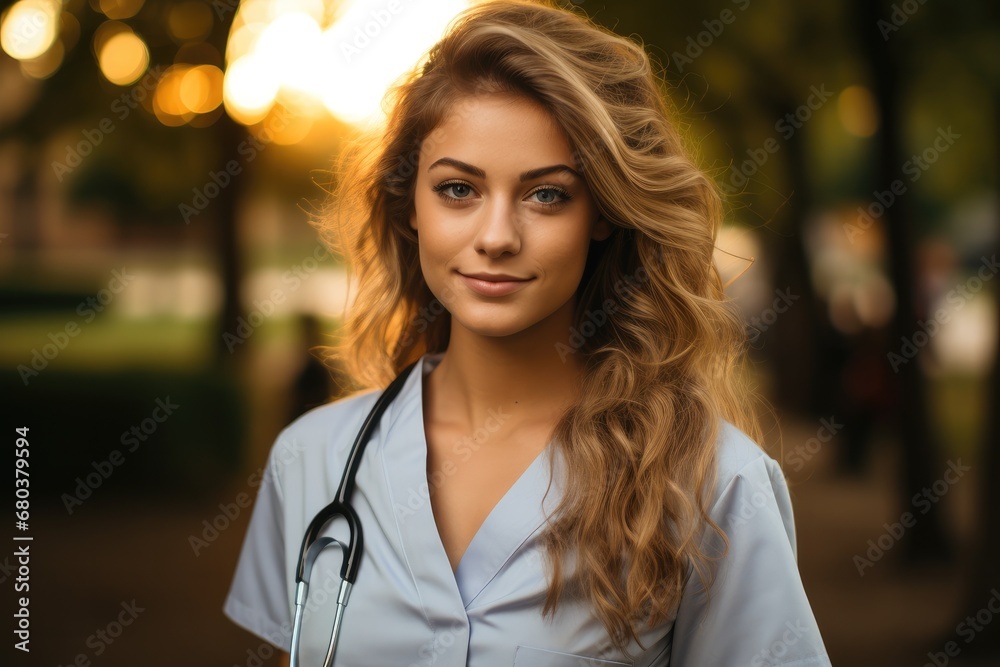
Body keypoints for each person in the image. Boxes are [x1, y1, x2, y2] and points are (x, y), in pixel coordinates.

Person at [223, 1, 833, 665]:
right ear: (411, 206)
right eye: (458, 189)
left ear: (602, 212)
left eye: (546, 195)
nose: (495, 237)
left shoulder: (715, 484)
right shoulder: (311, 460)